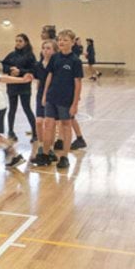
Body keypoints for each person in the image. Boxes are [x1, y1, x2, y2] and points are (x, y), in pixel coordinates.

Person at [45, 33, 85, 169]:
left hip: (66, 99)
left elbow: (78, 83)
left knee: (66, 125)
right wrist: (45, 94)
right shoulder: (54, 57)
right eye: (60, 40)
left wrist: (74, 104)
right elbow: (50, 76)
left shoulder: (75, 61)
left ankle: (64, 157)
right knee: (49, 124)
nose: (61, 42)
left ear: (73, 42)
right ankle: (47, 153)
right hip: (52, 97)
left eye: (65, 40)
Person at [2, 33, 36, 142]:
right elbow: (4, 65)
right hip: (12, 86)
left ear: (25, 42)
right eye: (16, 41)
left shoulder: (30, 55)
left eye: (20, 41)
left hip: (24, 86)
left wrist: (20, 71)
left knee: (27, 108)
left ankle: (35, 132)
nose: (18, 43)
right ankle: (10, 132)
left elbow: (33, 70)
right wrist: (10, 70)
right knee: (12, 109)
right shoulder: (11, 54)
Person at [31, 37, 56, 166]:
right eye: (44, 48)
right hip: (40, 94)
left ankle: (50, 148)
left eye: (48, 48)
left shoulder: (56, 64)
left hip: (52, 95)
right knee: (39, 121)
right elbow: (37, 78)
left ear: (54, 51)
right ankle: (41, 145)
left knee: (49, 123)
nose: (45, 51)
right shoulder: (38, 65)